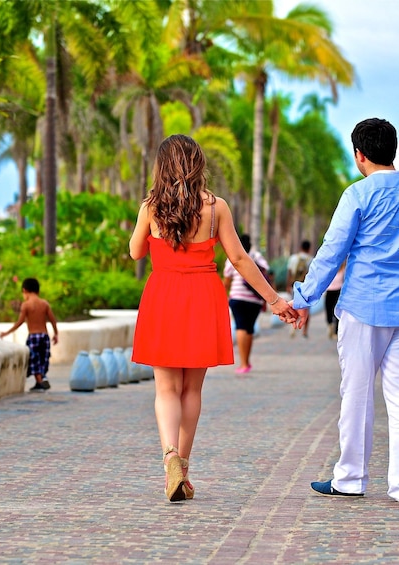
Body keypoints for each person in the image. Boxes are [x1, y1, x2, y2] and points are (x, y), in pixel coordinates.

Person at [129, 134, 296, 503]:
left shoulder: (150, 208)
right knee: (192, 390)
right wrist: (273, 299)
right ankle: (183, 468)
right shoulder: (215, 207)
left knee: (166, 390)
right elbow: (239, 259)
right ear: (197, 164)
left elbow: (135, 252)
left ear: (162, 168)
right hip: (203, 296)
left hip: (163, 296)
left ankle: (169, 457)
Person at [290, 118, 399, 502]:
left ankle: (351, 479)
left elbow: (332, 251)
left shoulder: (357, 195)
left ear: (359, 155)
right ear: (391, 151)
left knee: (356, 393)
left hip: (364, 307)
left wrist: (303, 297)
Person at [0, 278, 59, 392]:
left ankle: (41, 381)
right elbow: (53, 320)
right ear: (38, 291)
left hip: (33, 336)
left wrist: (7, 332)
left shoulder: (26, 305)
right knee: (43, 358)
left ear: (24, 290)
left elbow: (20, 322)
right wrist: (56, 334)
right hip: (44, 336)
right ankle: (41, 379)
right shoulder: (44, 304)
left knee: (34, 359)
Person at [223, 234, 271, 374]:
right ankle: (246, 361)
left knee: (241, 327)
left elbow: (227, 279)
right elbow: (266, 271)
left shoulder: (231, 256)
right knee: (249, 328)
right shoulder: (256, 256)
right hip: (254, 299)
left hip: (237, 297)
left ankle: (243, 363)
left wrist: (224, 294)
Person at [287, 240, 313, 338]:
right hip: (306, 288)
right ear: (309, 248)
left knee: (293, 307)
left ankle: (293, 327)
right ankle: (304, 331)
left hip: (294, 286)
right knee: (306, 310)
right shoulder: (311, 259)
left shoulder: (293, 258)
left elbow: (289, 272)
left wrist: (288, 285)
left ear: (300, 247)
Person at [325, 262, 346, 339]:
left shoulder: (344, 269)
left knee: (337, 311)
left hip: (338, 292)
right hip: (329, 291)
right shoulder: (331, 269)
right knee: (328, 310)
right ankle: (330, 325)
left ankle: (336, 331)